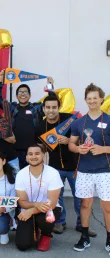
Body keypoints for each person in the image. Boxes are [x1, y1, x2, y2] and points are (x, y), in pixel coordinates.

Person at [35, 94, 96, 236]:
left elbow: (83, 140)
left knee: (80, 197)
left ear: (59, 107)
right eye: (48, 107)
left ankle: (83, 224)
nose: (51, 110)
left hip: (76, 166)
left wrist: (69, 140)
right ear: (44, 109)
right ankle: (60, 222)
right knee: (58, 198)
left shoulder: (70, 120)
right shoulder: (40, 126)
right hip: (55, 168)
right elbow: (40, 149)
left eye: (54, 107)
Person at [69, 83, 110, 254]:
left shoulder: (108, 120)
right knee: (85, 204)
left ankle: (109, 238)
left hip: (105, 170)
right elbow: (71, 143)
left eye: (95, 98)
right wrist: (78, 149)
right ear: (85, 100)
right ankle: (84, 237)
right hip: (84, 170)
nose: (92, 101)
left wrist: (103, 149)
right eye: (89, 98)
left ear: (101, 99)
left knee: (107, 207)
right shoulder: (79, 122)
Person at [0, 70, 53, 169]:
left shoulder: (36, 108)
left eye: (25, 92)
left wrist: (50, 86)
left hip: (33, 152)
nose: (23, 94)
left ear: (29, 95)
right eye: (20, 92)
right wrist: (0, 81)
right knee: (18, 179)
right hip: (15, 153)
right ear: (17, 96)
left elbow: (51, 101)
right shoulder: (11, 108)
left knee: (34, 178)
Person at [15, 144, 63, 252]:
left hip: (49, 209)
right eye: (30, 154)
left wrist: (32, 211)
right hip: (28, 209)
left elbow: (52, 203)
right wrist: (35, 205)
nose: (34, 156)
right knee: (22, 245)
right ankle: (34, 227)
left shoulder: (53, 173)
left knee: (46, 218)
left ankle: (46, 235)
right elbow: (22, 202)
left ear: (43, 155)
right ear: (26, 157)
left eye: (37, 153)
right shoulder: (21, 174)